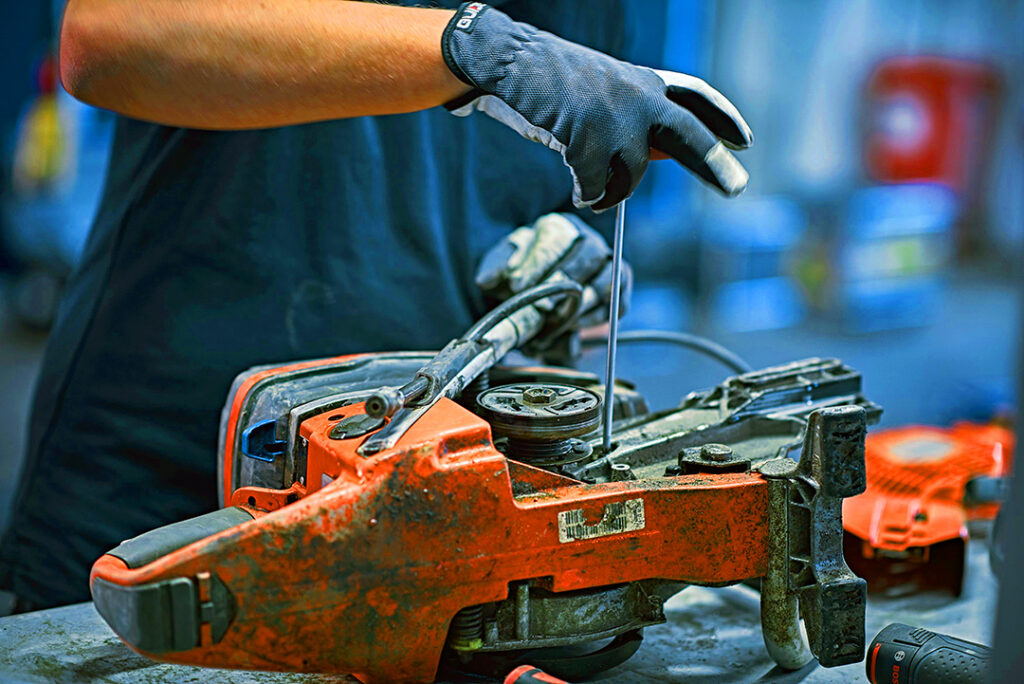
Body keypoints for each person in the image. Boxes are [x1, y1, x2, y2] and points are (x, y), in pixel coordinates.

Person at [0, 0, 751, 611]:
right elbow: (107, 37)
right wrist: (484, 53)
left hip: (435, 490)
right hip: (165, 472)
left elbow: (553, 168)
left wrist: (568, 265)